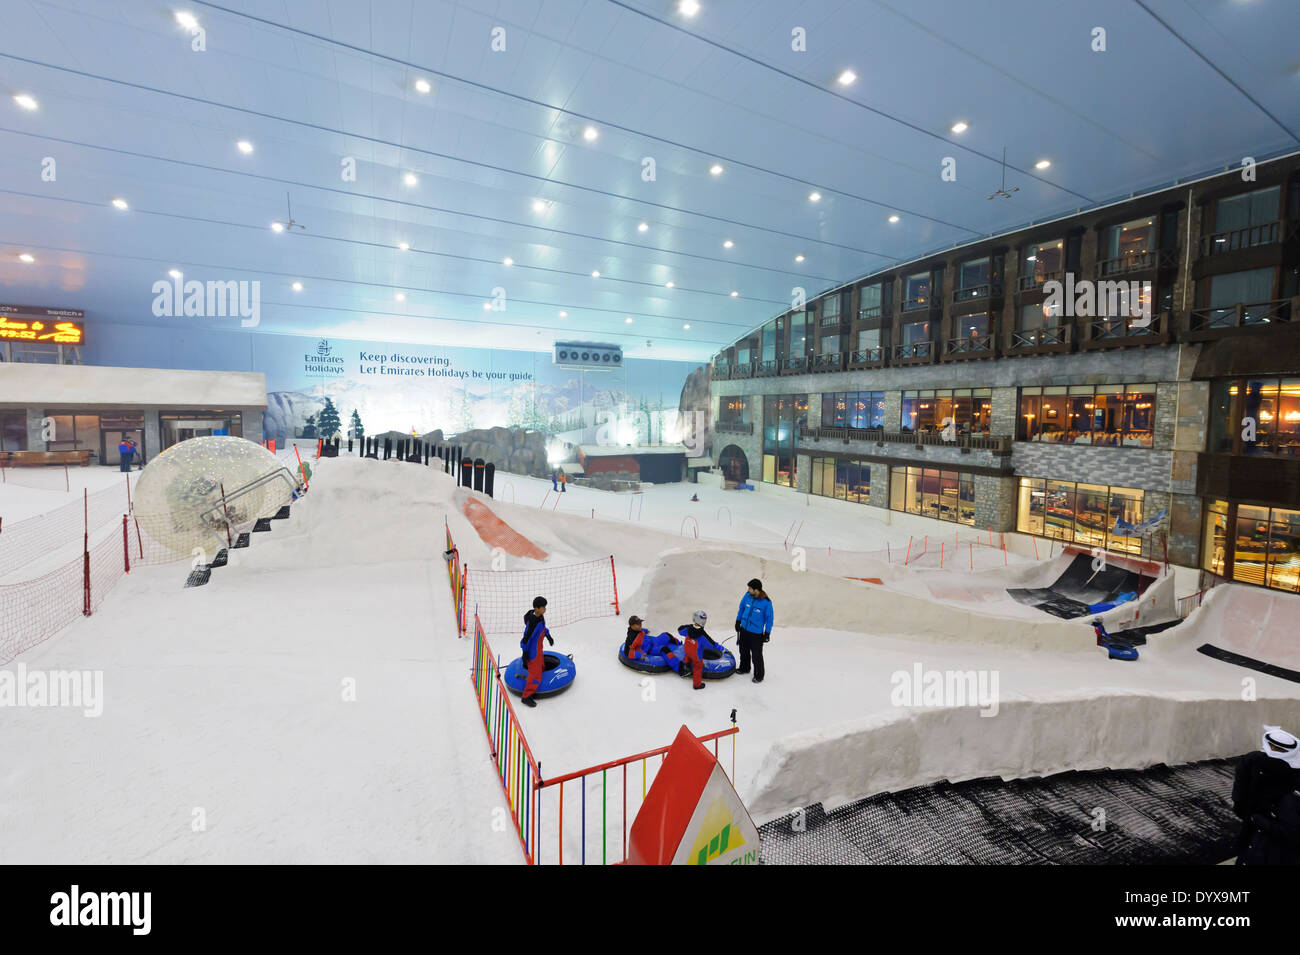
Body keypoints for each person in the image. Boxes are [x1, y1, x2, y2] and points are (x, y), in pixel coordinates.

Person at [1233, 725, 1300, 864]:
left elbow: (1239, 802)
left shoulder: (1252, 760)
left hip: (1263, 845)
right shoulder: (1254, 762)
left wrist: (1255, 818)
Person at [734, 578, 773, 683]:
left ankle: (759, 675)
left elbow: (769, 619)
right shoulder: (747, 596)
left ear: (756, 590)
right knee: (743, 650)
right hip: (744, 630)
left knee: (757, 655)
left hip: (756, 634)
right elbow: (741, 608)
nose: (748, 590)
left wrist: (767, 633)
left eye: (750, 588)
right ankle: (744, 668)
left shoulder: (766, 603)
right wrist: (738, 621)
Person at [518, 596, 553, 708]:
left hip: (539, 649)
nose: (545, 609)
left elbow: (543, 628)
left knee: (542, 666)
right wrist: (525, 652)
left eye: (545, 607)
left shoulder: (540, 617)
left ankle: (537, 685)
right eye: (543, 607)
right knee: (535, 675)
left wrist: (548, 636)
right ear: (537, 608)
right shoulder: (532, 623)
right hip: (533, 652)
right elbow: (526, 639)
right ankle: (526, 696)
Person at [674, 610, 716, 690]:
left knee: (688, 656)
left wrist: (690, 626)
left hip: (687, 650)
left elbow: (680, 629)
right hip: (697, 656)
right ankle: (697, 685)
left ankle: (686, 665)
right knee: (698, 668)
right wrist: (719, 648)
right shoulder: (702, 635)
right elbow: (711, 645)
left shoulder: (687, 629)